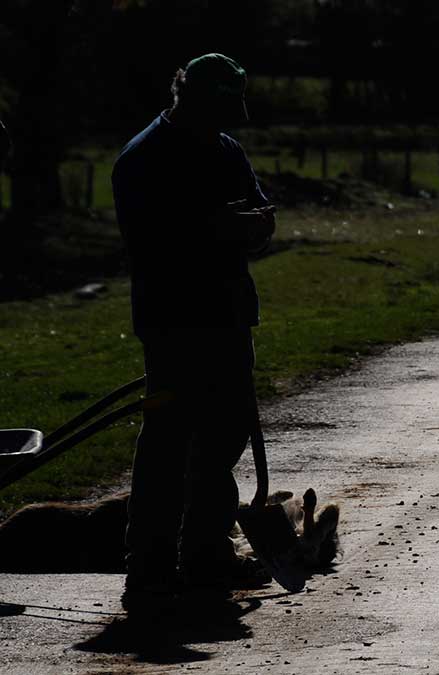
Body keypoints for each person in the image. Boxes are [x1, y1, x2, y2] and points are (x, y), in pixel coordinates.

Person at [112, 53, 276, 613]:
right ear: (191, 97)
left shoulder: (226, 149)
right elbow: (152, 246)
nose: (227, 120)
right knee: (168, 442)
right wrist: (218, 230)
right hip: (173, 321)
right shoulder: (144, 158)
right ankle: (150, 569)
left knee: (224, 437)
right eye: (220, 108)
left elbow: (258, 215)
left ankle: (205, 555)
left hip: (229, 316)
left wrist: (255, 228)